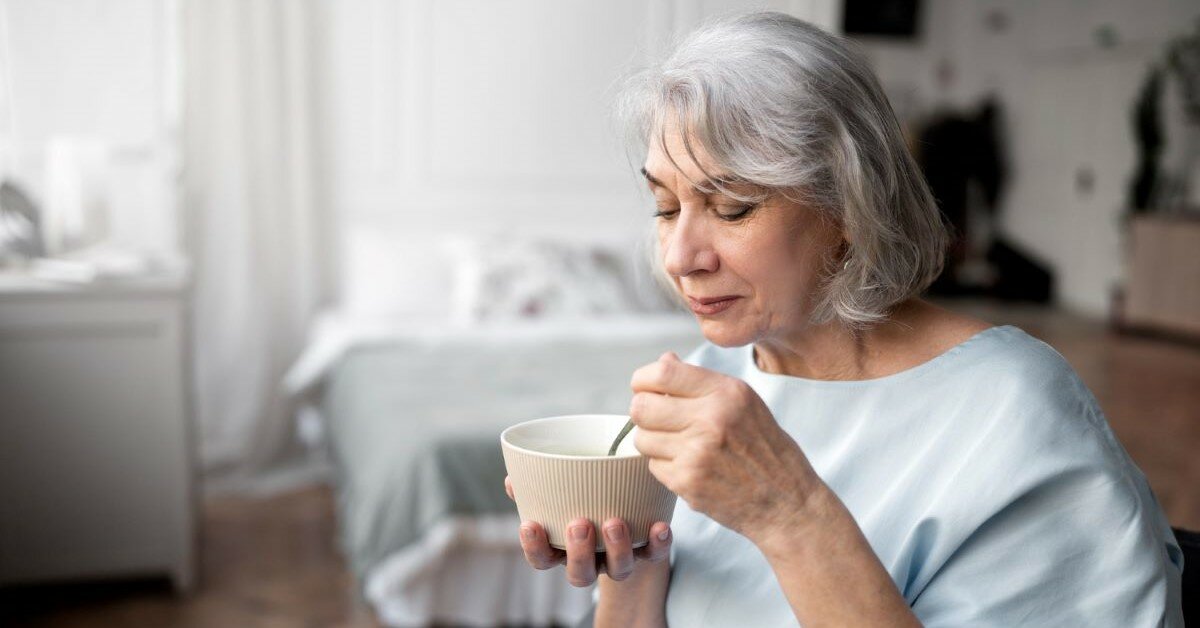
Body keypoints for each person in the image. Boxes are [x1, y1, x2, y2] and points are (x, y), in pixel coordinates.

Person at [503, 11, 1184, 626]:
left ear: (850, 205)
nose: (680, 257)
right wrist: (633, 561)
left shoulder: (1011, 410)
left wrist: (789, 512)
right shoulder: (714, 382)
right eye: (665, 207)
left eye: (733, 207)